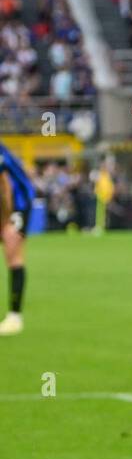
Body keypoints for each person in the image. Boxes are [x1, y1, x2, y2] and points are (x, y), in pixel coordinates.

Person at [0, 139, 35, 337]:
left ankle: (15, 317)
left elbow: (5, 186)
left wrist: (8, 219)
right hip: (5, 205)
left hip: (18, 205)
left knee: (13, 254)